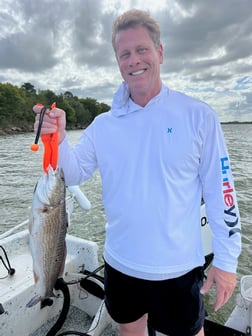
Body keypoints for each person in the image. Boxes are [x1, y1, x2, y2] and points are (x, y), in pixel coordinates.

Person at [34, 9, 241, 336]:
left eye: (142, 49)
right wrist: (57, 138)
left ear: (160, 52)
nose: (134, 60)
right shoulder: (104, 125)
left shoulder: (198, 116)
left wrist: (227, 261)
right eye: (124, 53)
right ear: (118, 61)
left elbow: (222, 192)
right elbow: (72, 174)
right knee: (130, 331)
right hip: (121, 264)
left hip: (179, 270)